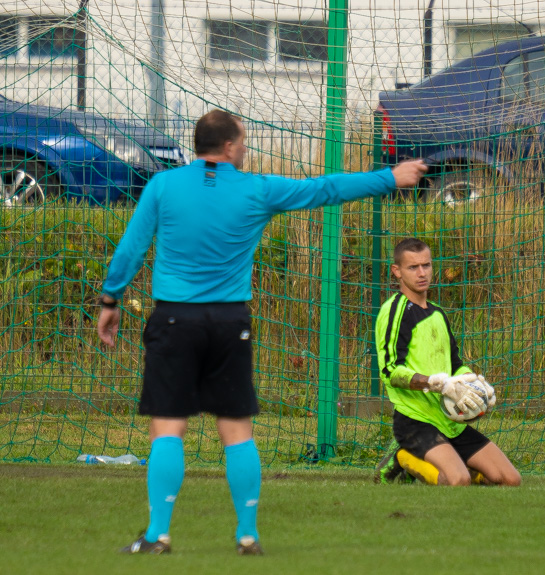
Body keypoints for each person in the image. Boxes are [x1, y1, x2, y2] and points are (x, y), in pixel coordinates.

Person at [96, 109, 428, 554]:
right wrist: (390, 177)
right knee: (236, 430)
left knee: (168, 429)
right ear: (230, 147)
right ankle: (247, 536)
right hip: (230, 324)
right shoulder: (257, 189)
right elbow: (325, 189)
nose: (247, 149)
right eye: (244, 142)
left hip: (174, 321)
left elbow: (131, 248)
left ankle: (158, 535)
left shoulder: (163, 186)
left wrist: (110, 299)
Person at [373, 238, 521, 487]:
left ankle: (458, 464)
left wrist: (474, 382)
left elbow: (454, 365)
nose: (422, 273)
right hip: (415, 421)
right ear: (396, 271)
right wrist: (433, 383)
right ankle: (402, 457)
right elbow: (389, 371)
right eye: (413, 267)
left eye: (426, 265)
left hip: (449, 420)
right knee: (456, 481)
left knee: (510, 480)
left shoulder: (438, 313)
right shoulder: (396, 310)